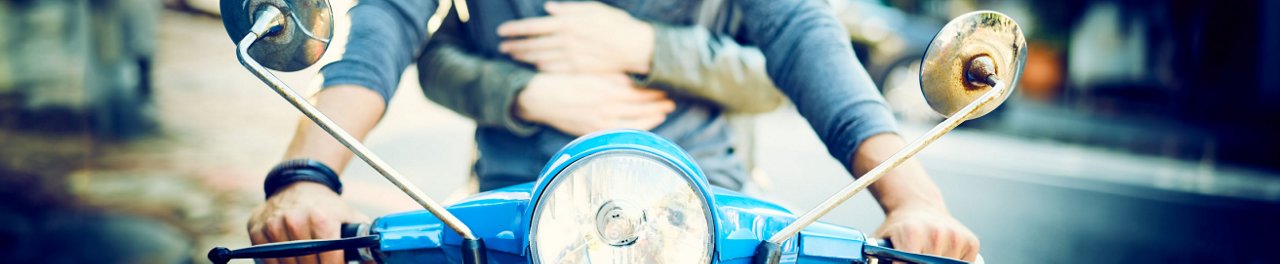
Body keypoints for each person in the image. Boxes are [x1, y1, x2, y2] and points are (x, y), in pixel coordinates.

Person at [247, 1, 980, 264]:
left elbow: (801, 37)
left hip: (709, 207)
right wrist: (307, 175)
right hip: (511, 204)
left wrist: (914, 199)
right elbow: (393, 24)